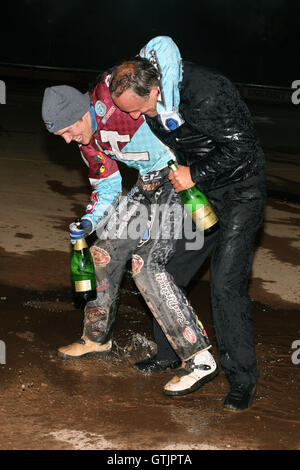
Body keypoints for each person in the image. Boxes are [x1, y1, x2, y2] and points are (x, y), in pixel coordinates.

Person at [109, 36, 266, 411]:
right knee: (167, 269)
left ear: (156, 88)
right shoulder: (147, 96)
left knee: (226, 285)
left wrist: (194, 173)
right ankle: (171, 352)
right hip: (200, 195)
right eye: (126, 112)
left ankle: (241, 378)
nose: (134, 118)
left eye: (137, 110)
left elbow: (245, 151)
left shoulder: (208, 92)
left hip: (241, 193)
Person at [41, 77, 219, 397]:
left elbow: (149, 73)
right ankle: (97, 338)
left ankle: (198, 358)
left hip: (178, 177)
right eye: (60, 136)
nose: (68, 141)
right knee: (102, 253)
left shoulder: (111, 100)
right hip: (147, 185)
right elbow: (107, 188)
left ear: (80, 113)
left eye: (67, 131)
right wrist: (89, 221)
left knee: (145, 265)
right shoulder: (89, 144)